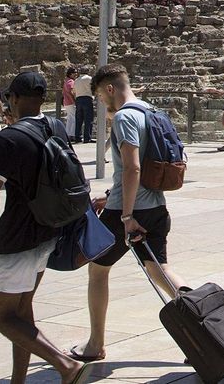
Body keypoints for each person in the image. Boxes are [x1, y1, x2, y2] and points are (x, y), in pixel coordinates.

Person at [0, 71, 88, 384]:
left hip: (18, 237)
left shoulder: (8, 140)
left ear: (14, 99)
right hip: (48, 232)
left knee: (3, 317)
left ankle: (65, 364)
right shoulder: (57, 126)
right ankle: (18, 379)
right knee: (22, 311)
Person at [73, 64, 189, 367]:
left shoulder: (124, 116)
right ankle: (201, 322)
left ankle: (95, 343)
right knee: (159, 270)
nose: (100, 102)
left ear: (110, 89)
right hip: (155, 207)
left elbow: (134, 167)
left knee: (98, 270)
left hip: (129, 213)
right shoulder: (152, 111)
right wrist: (111, 194)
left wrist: (125, 216)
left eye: (99, 95)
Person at [60, 67, 77, 138]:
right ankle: (72, 134)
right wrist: (74, 101)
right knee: (74, 118)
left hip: (66, 102)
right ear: (70, 74)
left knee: (70, 118)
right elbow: (71, 92)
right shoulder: (71, 82)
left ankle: (67, 133)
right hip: (70, 102)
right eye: (74, 73)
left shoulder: (66, 81)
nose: (76, 74)